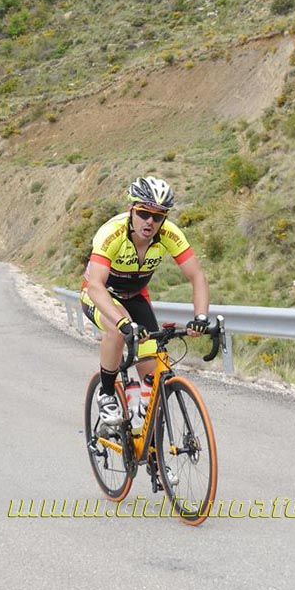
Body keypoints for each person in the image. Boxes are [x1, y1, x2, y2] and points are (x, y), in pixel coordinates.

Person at [81, 176, 210, 428]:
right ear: (132, 209)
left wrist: (201, 318)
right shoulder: (112, 233)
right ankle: (106, 394)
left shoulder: (170, 235)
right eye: (144, 213)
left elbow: (197, 276)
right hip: (100, 294)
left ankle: (149, 441)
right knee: (117, 333)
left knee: (153, 376)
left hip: (137, 297)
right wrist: (123, 323)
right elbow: (96, 285)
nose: (150, 221)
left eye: (158, 216)